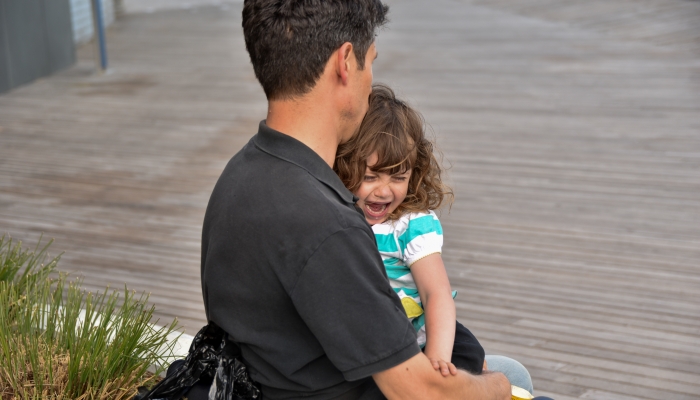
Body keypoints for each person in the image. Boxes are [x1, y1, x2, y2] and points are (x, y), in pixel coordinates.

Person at [198, 1, 512, 399]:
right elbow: (418, 393)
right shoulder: (327, 225)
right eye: (372, 62)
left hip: (266, 383)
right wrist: (499, 388)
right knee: (511, 375)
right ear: (346, 62)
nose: (371, 79)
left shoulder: (240, 175)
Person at [334, 85, 535, 393]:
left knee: (469, 357)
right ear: (345, 164)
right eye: (371, 176)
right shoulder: (337, 216)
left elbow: (435, 293)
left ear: (414, 174)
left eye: (398, 177)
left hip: (427, 336)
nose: (385, 191)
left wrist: (437, 360)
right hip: (386, 350)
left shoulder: (411, 226)